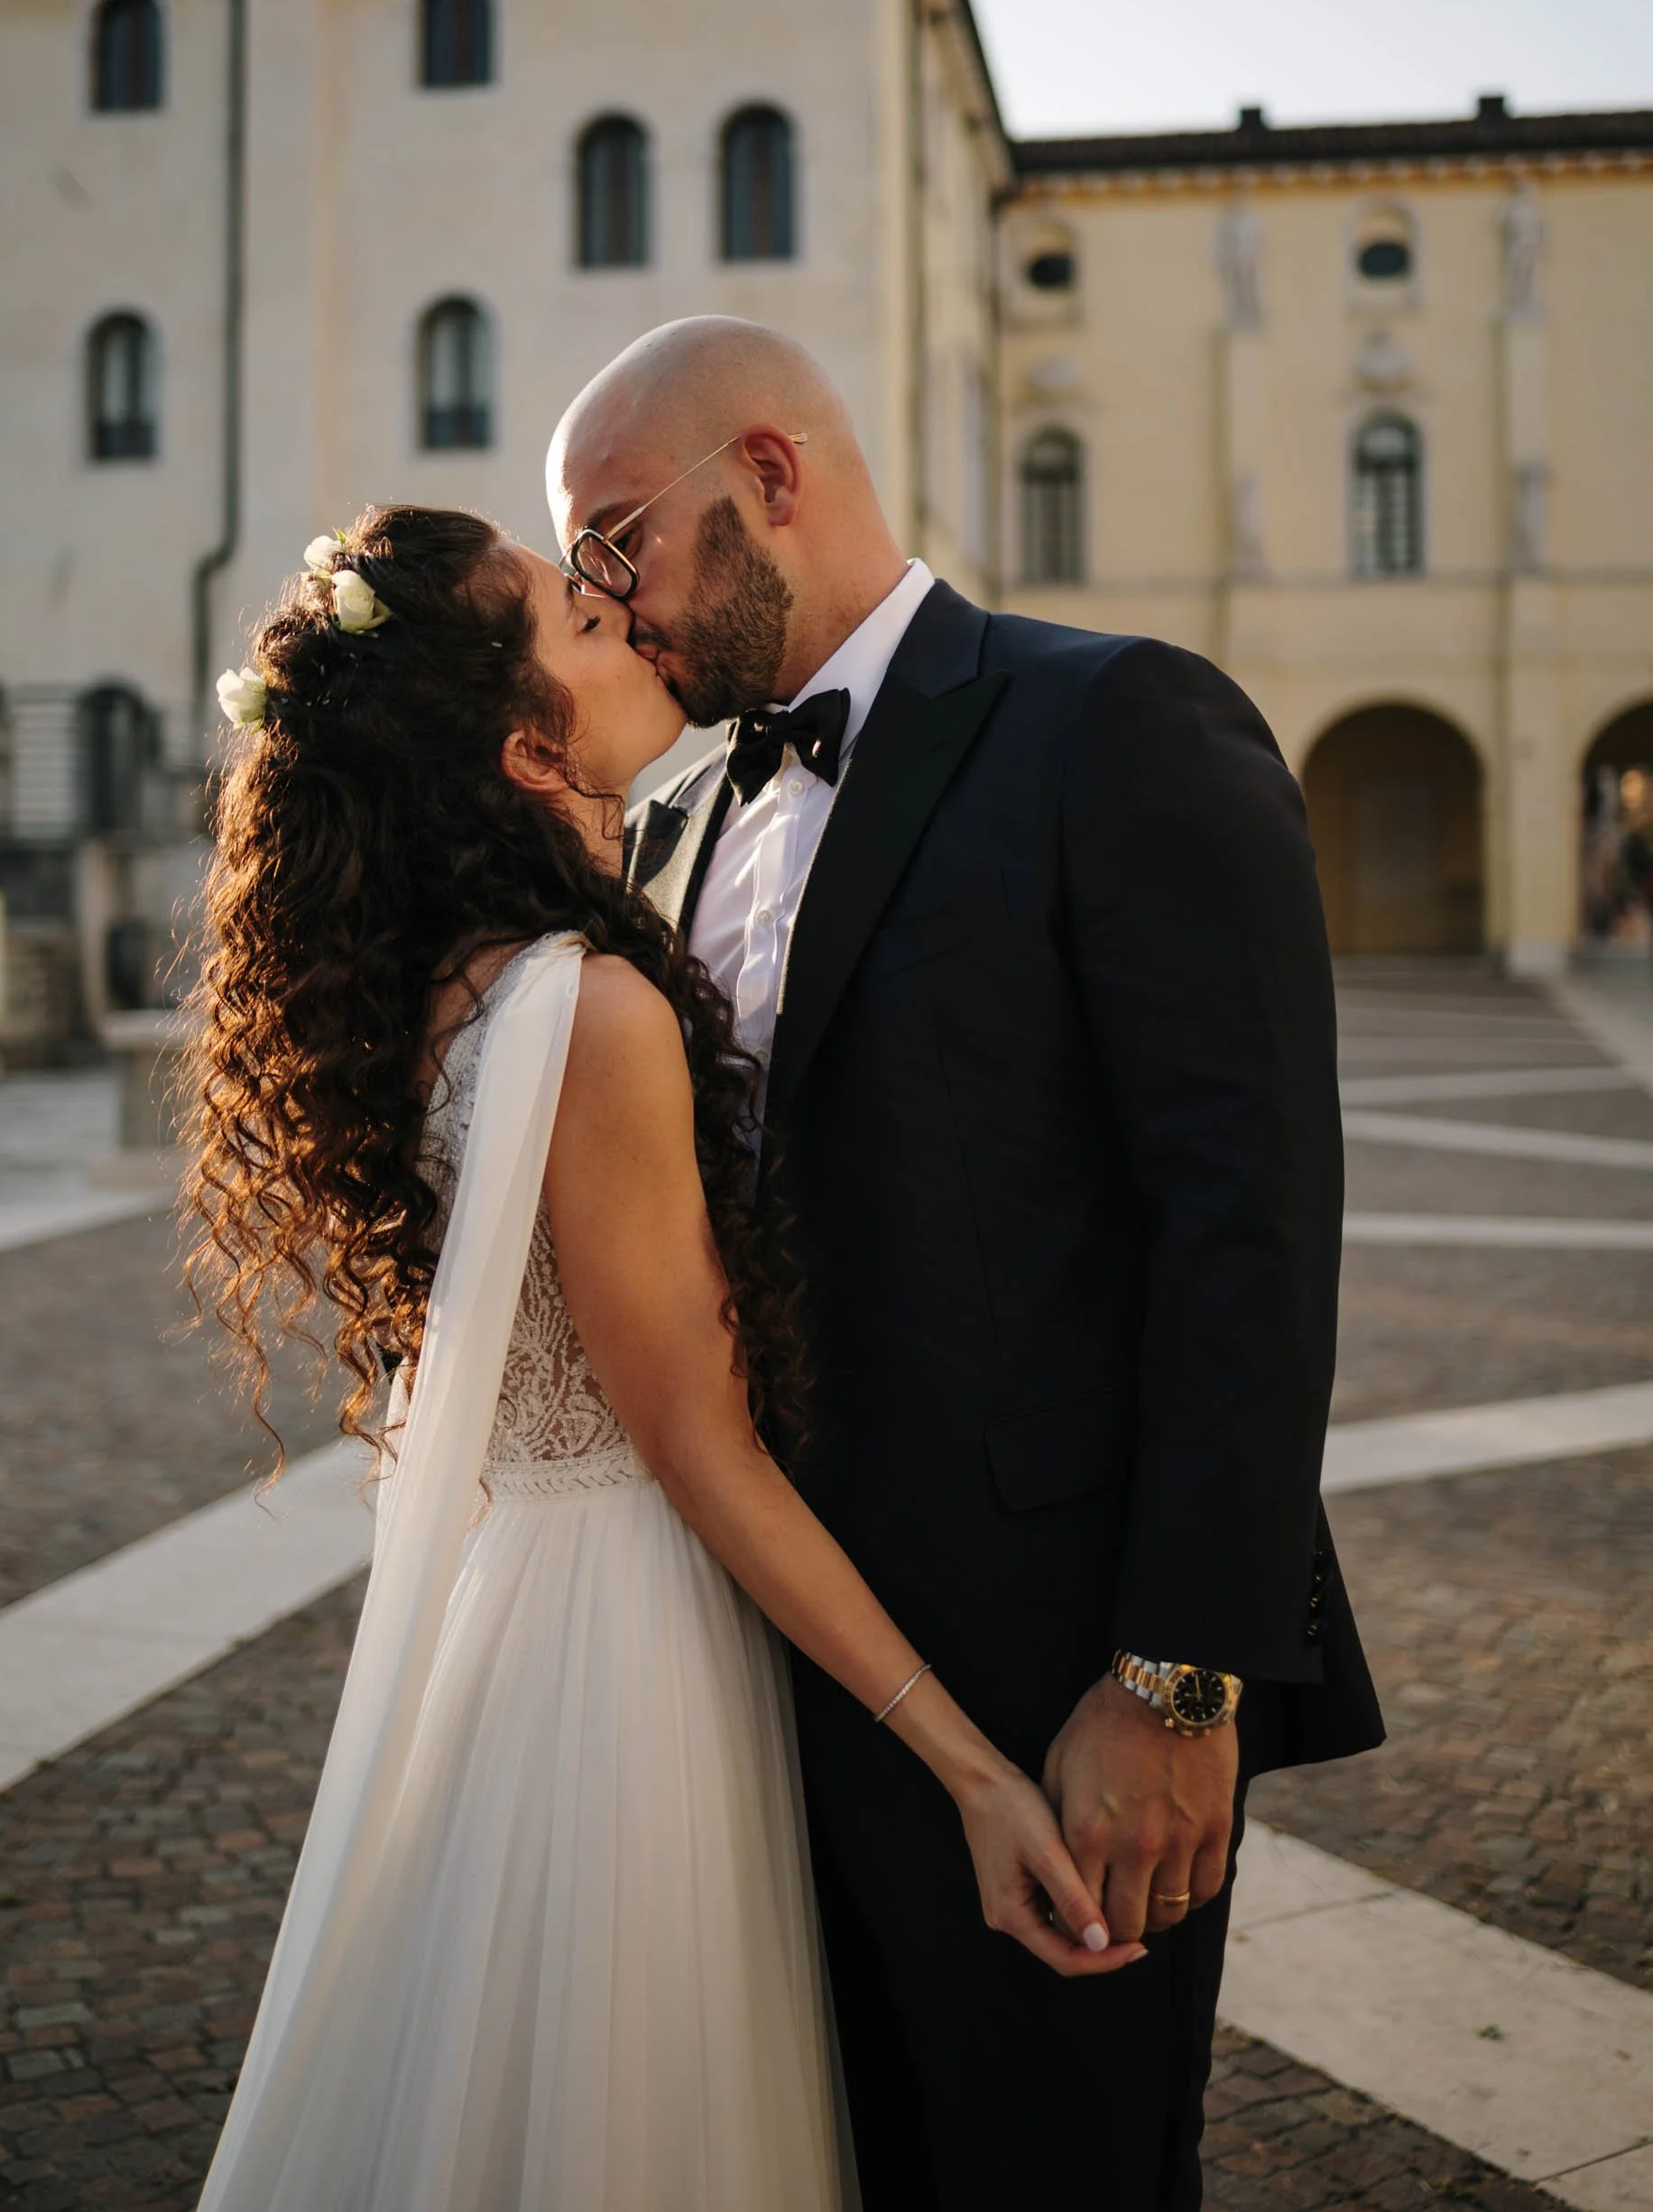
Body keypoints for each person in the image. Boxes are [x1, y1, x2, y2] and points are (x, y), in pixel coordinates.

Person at [186, 507, 1143, 2212]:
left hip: (512, 1603)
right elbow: (702, 1449)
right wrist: (977, 1774)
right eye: (579, 615)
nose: (625, 618)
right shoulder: (588, 1010)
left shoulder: (446, 983)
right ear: (522, 745)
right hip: (620, 1643)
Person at [548, 319, 1385, 2212]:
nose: (605, 600)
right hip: (751, 1686)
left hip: (1051, 1683)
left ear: (768, 476)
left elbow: (1250, 1226)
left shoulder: (1117, 723)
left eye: (618, 540)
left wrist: (1177, 1681)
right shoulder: (672, 823)